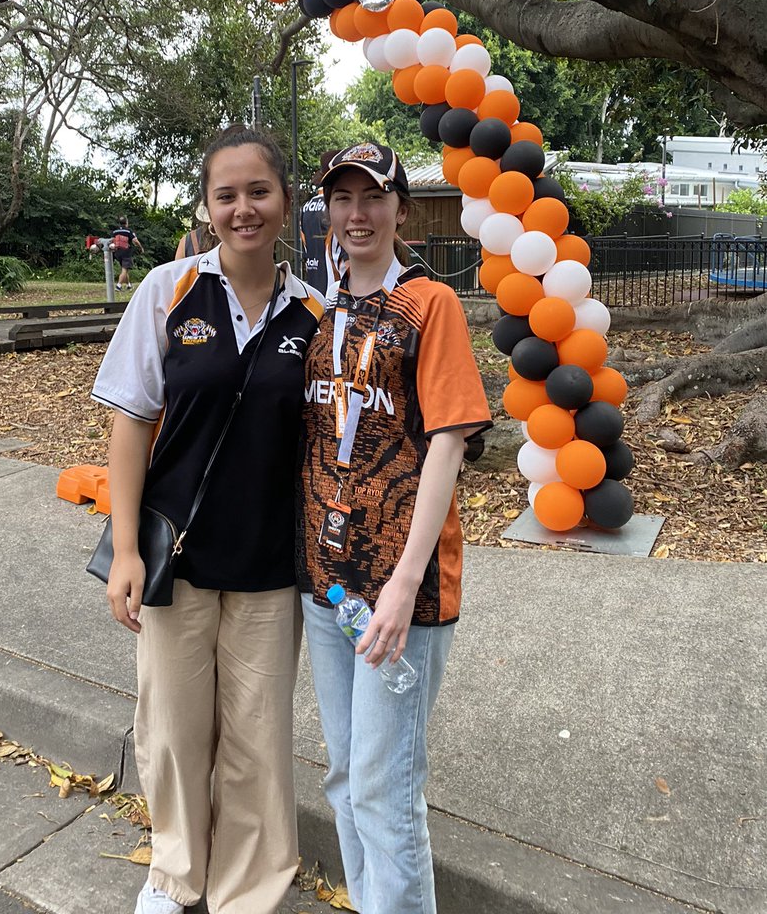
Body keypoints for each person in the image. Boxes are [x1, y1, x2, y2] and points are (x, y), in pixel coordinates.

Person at [92, 126, 325, 914]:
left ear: (286, 202)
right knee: (172, 732)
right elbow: (130, 423)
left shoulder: (315, 315)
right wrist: (126, 550)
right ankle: (175, 872)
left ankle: (248, 889)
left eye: (258, 191)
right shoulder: (167, 290)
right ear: (207, 204)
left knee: (257, 743)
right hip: (176, 559)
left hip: (268, 567)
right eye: (226, 194)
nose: (243, 209)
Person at [295, 143, 492, 914]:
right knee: (346, 777)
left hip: (398, 592)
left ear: (400, 211)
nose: (357, 214)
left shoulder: (429, 305)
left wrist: (407, 584)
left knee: (386, 788)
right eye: (341, 200)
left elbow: (448, 442)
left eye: (373, 198)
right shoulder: (323, 308)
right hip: (327, 585)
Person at [110, 216, 144, 289]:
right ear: (126, 223)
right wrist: (141, 247)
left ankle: (129, 285)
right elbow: (135, 240)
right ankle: (118, 285)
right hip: (126, 252)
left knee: (124, 269)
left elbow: (112, 240)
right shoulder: (128, 231)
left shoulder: (115, 231)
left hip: (117, 252)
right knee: (124, 269)